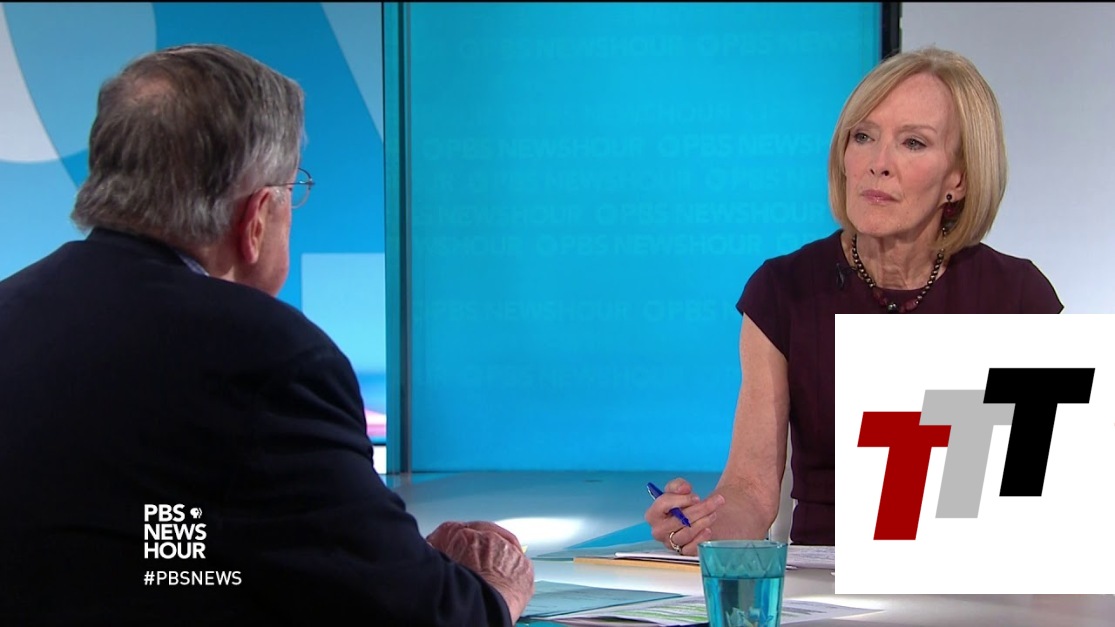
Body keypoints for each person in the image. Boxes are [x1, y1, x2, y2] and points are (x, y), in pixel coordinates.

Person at [0, 44, 533, 625]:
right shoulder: (268, 357)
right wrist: (491, 587)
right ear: (255, 217)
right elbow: (422, 615)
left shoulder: (11, 309)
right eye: (292, 189)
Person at [644, 46, 1063, 552]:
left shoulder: (1018, 299)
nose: (877, 164)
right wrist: (703, 526)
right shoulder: (784, 291)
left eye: (913, 143)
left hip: (978, 576)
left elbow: (1048, 496)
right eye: (863, 136)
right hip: (827, 580)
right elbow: (751, 491)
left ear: (959, 178)